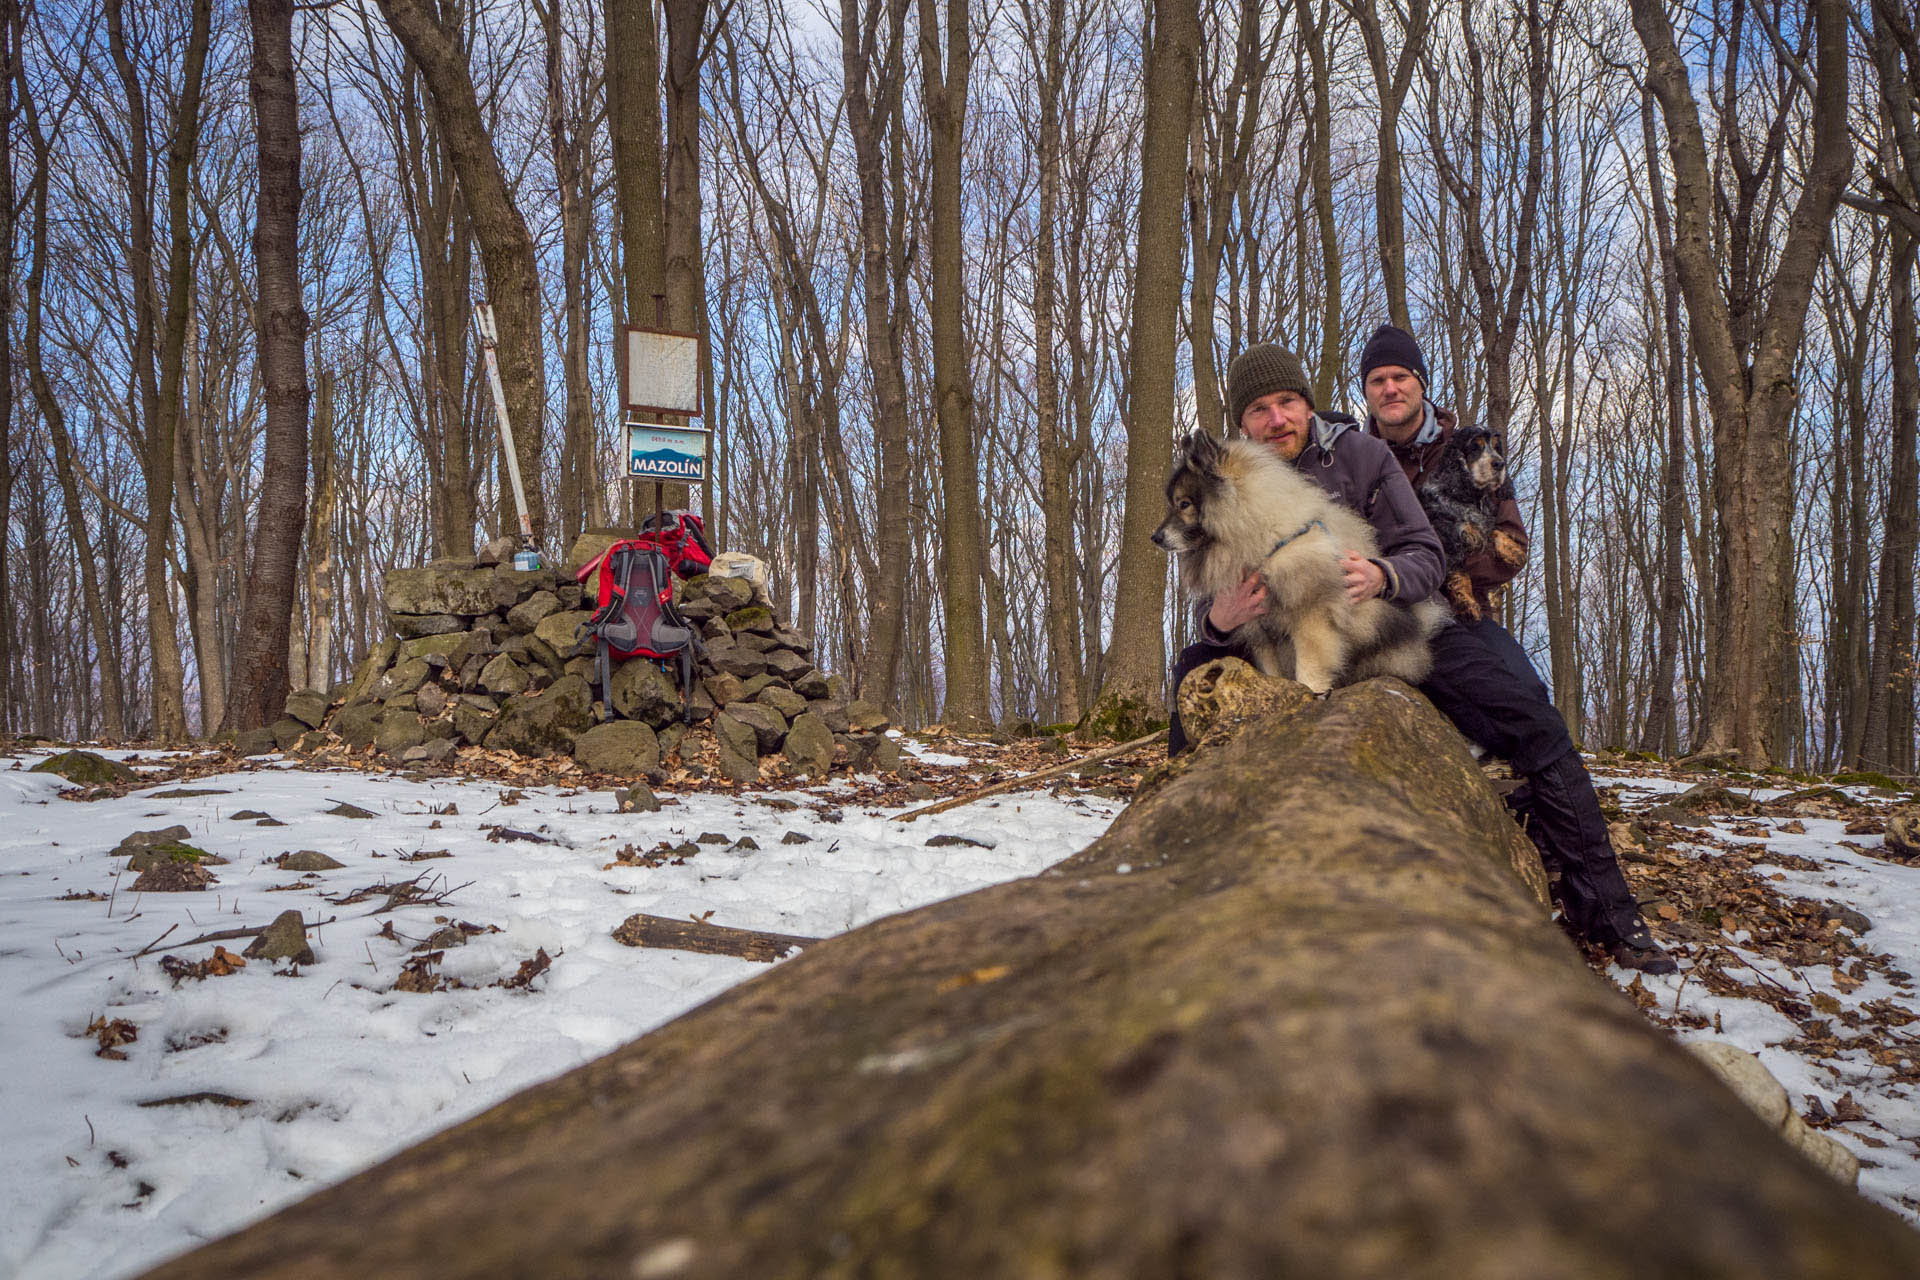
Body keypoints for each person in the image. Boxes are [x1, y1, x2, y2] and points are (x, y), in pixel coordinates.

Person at [1167, 335, 1677, 975]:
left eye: (1288, 403)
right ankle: (1185, 874)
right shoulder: (1219, 477)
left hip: (1395, 623)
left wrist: (1383, 576)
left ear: (1307, 404)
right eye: (1260, 410)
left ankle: (1606, 913)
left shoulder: (1359, 452)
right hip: (1275, 636)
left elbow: (1425, 552)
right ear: (1240, 421)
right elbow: (1206, 571)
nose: (1277, 420)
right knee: (1194, 676)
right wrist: (1218, 621)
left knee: (1532, 718)